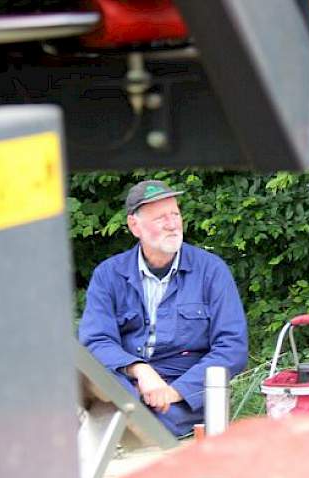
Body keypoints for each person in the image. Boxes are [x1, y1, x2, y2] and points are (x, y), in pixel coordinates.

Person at [79, 180, 248, 437]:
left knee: (134, 423)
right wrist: (140, 370)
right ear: (135, 226)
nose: (172, 224)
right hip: (126, 385)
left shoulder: (211, 271)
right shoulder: (108, 275)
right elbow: (95, 341)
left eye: (175, 214)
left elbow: (232, 347)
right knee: (87, 396)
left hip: (184, 395)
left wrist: (174, 391)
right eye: (160, 218)